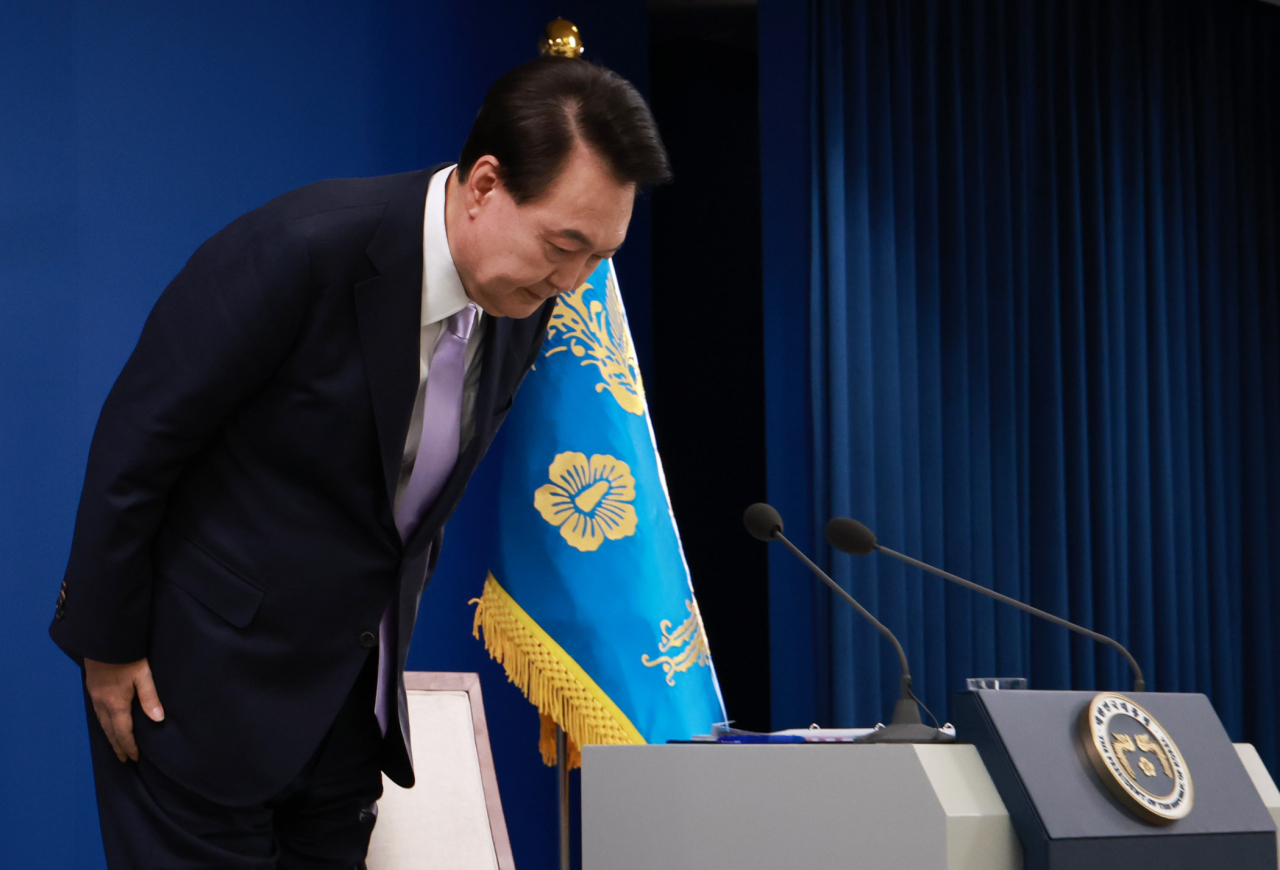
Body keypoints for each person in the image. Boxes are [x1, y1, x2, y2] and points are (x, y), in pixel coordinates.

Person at [49, 56, 671, 869]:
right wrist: (107, 645)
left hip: (345, 724)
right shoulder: (301, 249)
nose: (576, 280)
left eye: (600, 258)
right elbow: (139, 440)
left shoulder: (524, 308)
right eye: (565, 244)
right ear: (484, 184)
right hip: (194, 697)